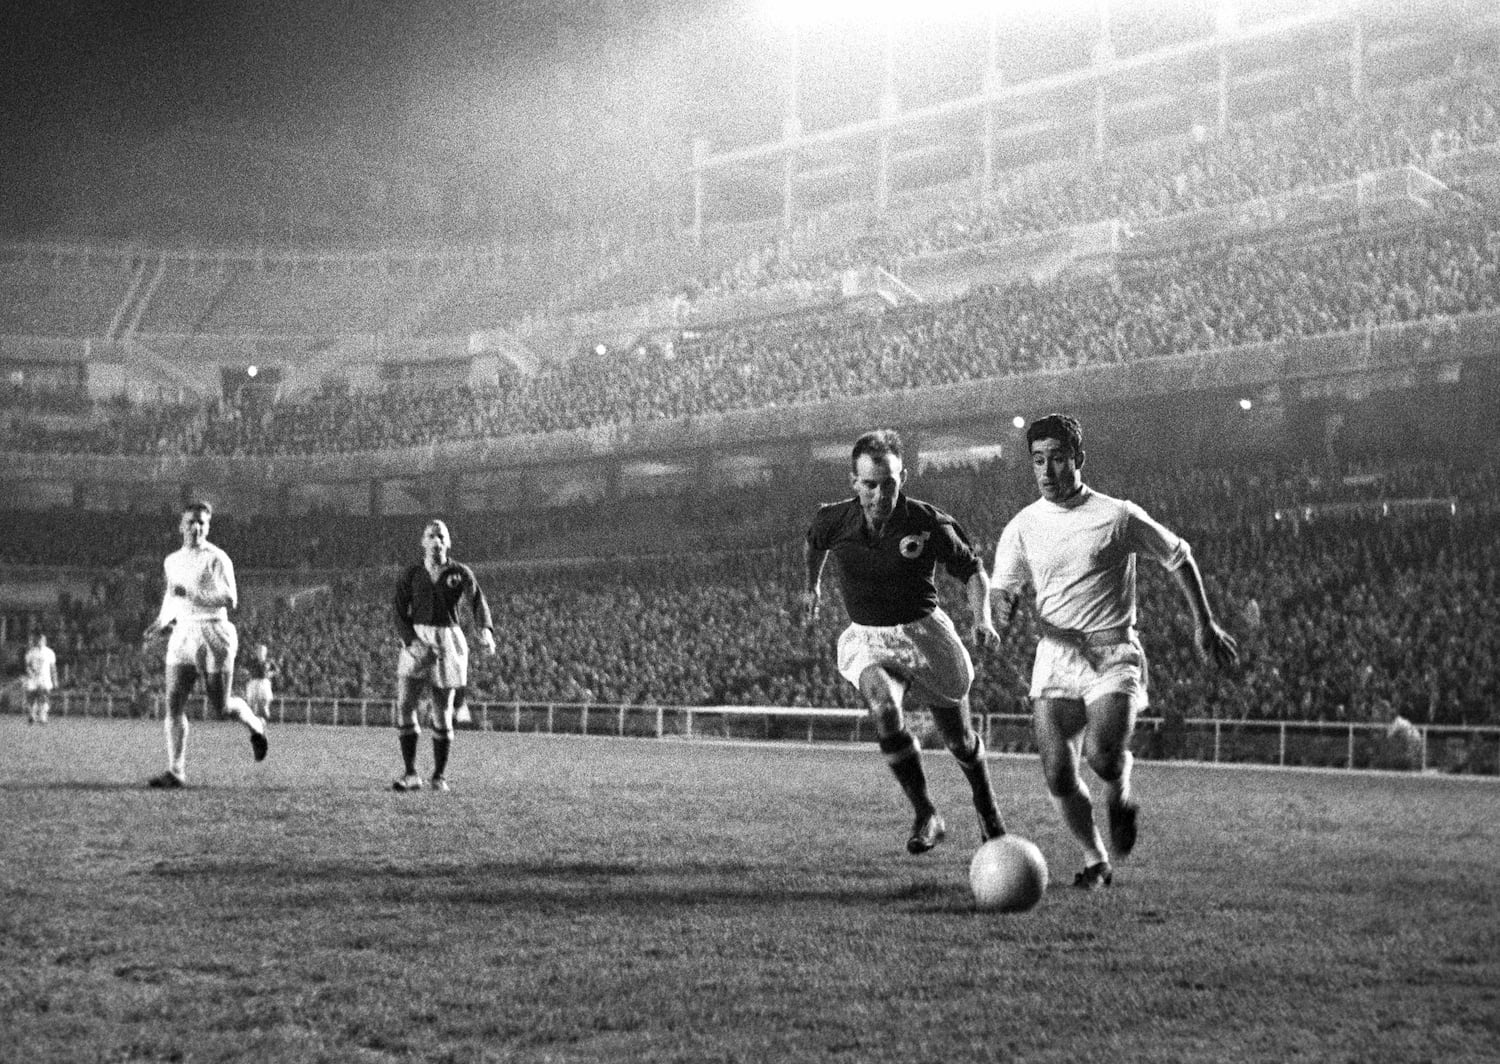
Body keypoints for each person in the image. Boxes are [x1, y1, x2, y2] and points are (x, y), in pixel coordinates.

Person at [991, 414, 1238, 888]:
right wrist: (1002, 605)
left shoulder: (1117, 515)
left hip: (1112, 654)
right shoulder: (1023, 526)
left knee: (1102, 756)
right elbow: (1003, 587)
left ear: (1078, 459)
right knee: (1058, 774)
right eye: (1038, 461)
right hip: (1056, 656)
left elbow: (1178, 556)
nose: (1047, 471)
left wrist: (1203, 623)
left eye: (1058, 459)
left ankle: (1119, 788)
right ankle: (1094, 859)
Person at [804, 429, 1007, 855]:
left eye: (890, 483)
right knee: (884, 710)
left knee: (960, 742)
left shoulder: (929, 523)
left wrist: (982, 618)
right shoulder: (833, 519)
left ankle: (986, 806)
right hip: (870, 639)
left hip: (924, 636)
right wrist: (813, 587)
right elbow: (814, 543)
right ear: (854, 483)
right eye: (870, 484)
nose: (880, 494)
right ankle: (926, 813)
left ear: (904, 478)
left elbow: (973, 571)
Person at [142, 501, 268, 788]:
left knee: (220, 706)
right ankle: (176, 771)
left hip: (214, 631)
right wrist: (160, 623)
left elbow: (230, 599)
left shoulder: (217, 558)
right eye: (190, 522)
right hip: (184, 632)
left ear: (207, 527)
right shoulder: (171, 560)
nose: (196, 527)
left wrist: (193, 593)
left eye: (201, 522)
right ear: (181, 526)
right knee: (173, 702)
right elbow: (173, 597)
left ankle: (256, 726)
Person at [391, 519, 496, 792]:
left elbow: (477, 600)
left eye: (441, 536)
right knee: (405, 704)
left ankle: (439, 776)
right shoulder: (412, 574)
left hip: (448, 639)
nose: (436, 540)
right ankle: (411, 774)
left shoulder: (460, 572)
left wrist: (485, 629)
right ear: (422, 542)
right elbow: (399, 610)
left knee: (442, 710)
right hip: (417, 640)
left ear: (448, 542)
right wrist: (412, 643)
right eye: (430, 535)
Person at [24, 631, 58, 725]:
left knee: (44, 697)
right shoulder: (31, 652)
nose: (40, 641)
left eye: (42, 640)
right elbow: (27, 666)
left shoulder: (49, 652)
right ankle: (32, 715)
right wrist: (30, 672)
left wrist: (55, 679)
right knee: (31, 697)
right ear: (36, 640)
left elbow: (53, 667)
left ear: (45, 641)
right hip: (33, 679)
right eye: (38, 640)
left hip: (45, 678)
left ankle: (43, 717)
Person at [244, 642, 278, 723]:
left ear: (265, 652)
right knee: (252, 702)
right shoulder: (252, 660)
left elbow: (276, 670)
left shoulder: (269, 661)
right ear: (256, 652)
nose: (260, 652)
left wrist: (271, 673)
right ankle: (254, 720)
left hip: (264, 682)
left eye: (262, 650)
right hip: (253, 682)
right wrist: (247, 673)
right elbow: (245, 669)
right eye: (259, 650)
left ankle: (265, 718)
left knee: (265, 702)